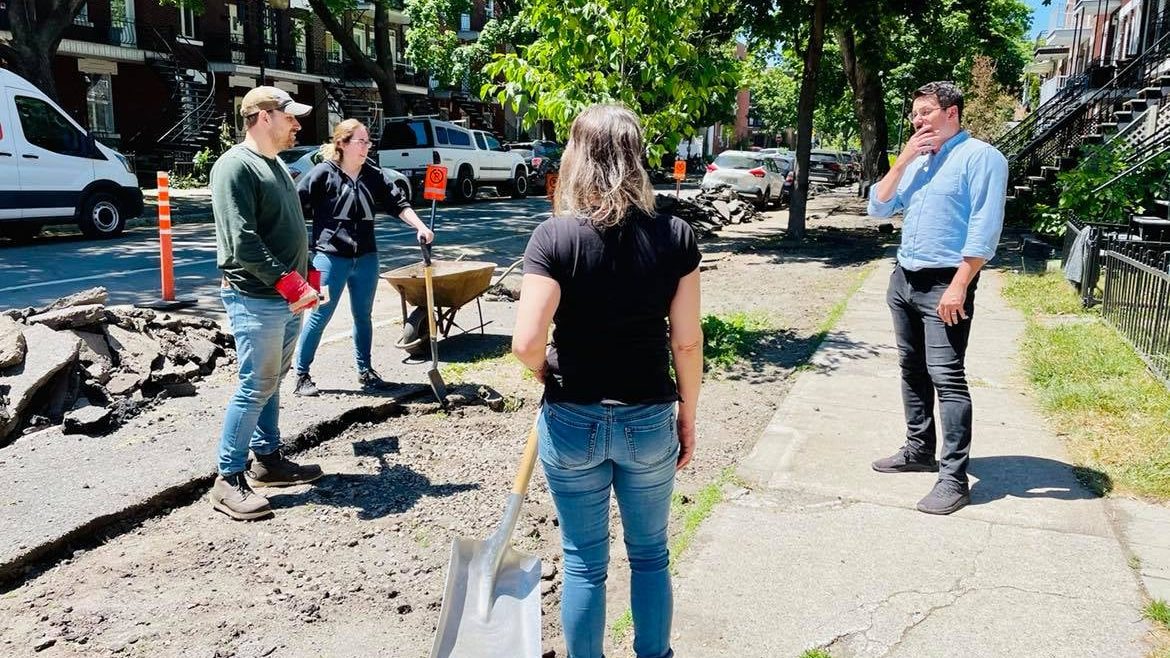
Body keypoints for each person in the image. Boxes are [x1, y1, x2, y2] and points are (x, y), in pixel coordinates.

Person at [512, 104, 703, 658]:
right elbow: (686, 342)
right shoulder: (675, 236)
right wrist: (687, 413)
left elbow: (525, 343)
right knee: (650, 555)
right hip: (648, 418)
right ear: (637, 157)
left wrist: (549, 371)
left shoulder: (554, 238)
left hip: (572, 419)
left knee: (582, 561)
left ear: (576, 157)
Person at [867, 81, 1008, 515]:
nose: (917, 120)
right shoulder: (919, 161)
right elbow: (878, 207)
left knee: (946, 377)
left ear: (952, 113)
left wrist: (961, 283)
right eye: (914, 113)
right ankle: (918, 449)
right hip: (905, 278)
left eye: (925, 112)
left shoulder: (982, 158)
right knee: (911, 368)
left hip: (946, 284)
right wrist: (905, 158)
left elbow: (985, 228)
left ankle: (954, 479)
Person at [208, 86, 325, 521]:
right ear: (261, 116)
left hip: (283, 297)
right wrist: (290, 284)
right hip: (256, 297)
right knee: (255, 384)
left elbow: (287, 230)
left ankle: (267, 460)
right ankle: (227, 478)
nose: (297, 124)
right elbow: (241, 244)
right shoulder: (234, 167)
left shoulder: (273, 164)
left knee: (272, 381)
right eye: (289, 117)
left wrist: (308, 276)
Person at [292, 119, 434, 397]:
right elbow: (295, 208)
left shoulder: (373, 174)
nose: (367, 147)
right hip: (329, 258)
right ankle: (301, 374)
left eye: (368, 141)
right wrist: (300, 247)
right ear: (342, 144)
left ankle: (366, 371)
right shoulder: (323, 174)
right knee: (320, 315)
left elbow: (398, 205)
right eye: (361, 141)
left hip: (366, 257)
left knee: (363, 317)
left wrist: (420, 226)